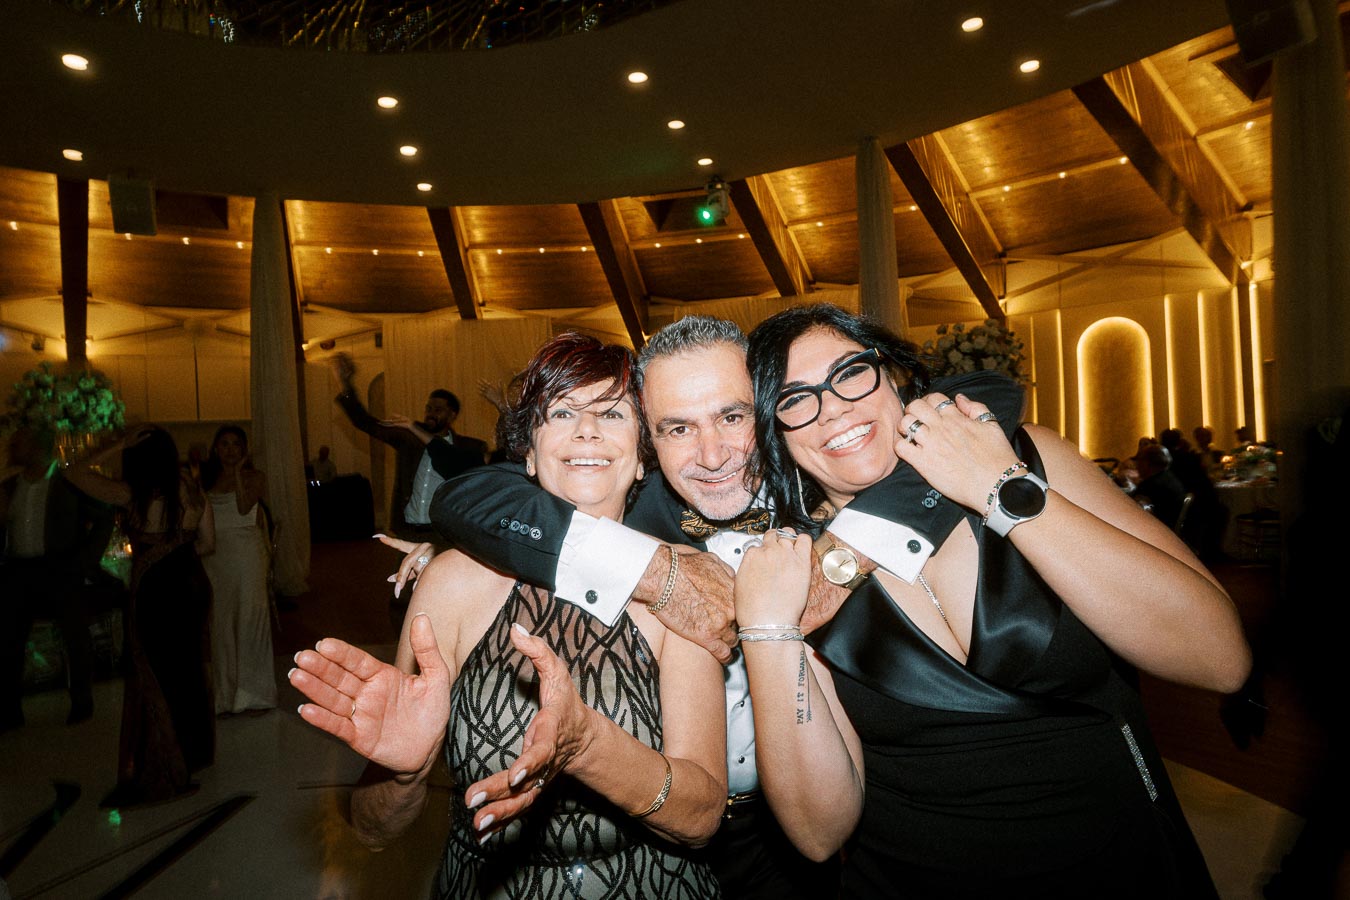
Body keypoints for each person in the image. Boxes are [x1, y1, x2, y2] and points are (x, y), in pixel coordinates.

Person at [418, 315, 1026, 899]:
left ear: (767, 406)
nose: (711, 456)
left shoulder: (822, 474)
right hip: (655, 831)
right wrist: (658, 571)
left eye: (733, 416)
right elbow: (468, 497)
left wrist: (838, 561)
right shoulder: (637, 511)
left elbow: (990, 394)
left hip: (824, 823)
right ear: (648, 442)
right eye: (677, 428)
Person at [735, 304, 1250, 897]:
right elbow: (819, 832)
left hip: (1122, 862)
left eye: (850, 372)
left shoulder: (1027, 459)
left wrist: (999, 490)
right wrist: (770, 630)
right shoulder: (798, 572)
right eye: (795, 399)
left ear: (896, 376)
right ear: (777, 433)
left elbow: (1221, 660)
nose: (834, 407)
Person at [290, 333, 726, 898]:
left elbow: (701, 816)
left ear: (643, 456)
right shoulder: (452, 585)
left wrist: (590, 745)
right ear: (527, 449)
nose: (587, 430)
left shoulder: (680, 585)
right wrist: (405, 775)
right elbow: (372, 830)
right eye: (562, 411)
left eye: (612, 413)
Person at [66, 425, 216, 805]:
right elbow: (209, 544)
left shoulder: (131, 494)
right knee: (188, 673)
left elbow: (73, 472)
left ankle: (165, 769)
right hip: (193, 585)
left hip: (156, 591)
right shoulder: (192, 489)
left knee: (153, 678)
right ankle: (192, 756)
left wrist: (115, 444)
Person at [0, 426, 109, 729]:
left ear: (36, 446)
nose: (11, 447)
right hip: (19, 570)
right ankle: (9, 708)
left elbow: (103, 517)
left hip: (60, 569)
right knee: (9, 640)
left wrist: (86, 561)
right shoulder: (11, 485)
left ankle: (81, 702)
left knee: (75, 636)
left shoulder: (67, 483)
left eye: (18, 441)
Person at [332, 352, 487, 540]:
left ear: (452, 415)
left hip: (444, 534)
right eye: (428, 409)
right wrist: (346, 385)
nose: (430, 414)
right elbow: (366, 423)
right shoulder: (409, 436)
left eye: (438, 410)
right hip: (408, 532)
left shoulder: (465, 447)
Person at [200, 425, 276, 716]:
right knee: (220, 623)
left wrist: (238, 473)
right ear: (216, 449)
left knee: (249, 618)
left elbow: (245, 508)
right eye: (224, 444)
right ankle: (225, 694)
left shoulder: (255, 477)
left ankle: (253, 693)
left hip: (247, 556)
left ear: (243, 450)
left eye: (235, 444)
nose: (230, 449)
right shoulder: (206, 479)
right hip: (216, 557)